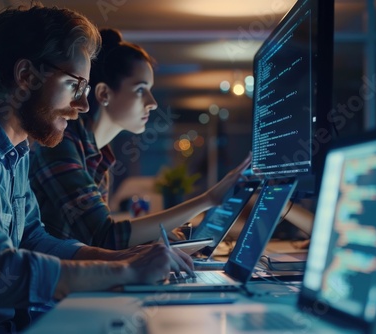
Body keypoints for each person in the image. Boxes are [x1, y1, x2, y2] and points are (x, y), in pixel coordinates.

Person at [0, 5, 195, 333]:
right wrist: (125, 273)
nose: (82, 106)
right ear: (26, 76)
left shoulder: (15, 149)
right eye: (74, 85)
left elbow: (32, 237)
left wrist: (121, 259)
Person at [29, 28, 252, 250]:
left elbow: (96, 238)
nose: (152, 102)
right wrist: (209, 198)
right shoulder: (61, 143)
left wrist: (151, 238)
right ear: (104, 94)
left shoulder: (98, 155)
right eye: (140, 89)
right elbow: (105, 236)